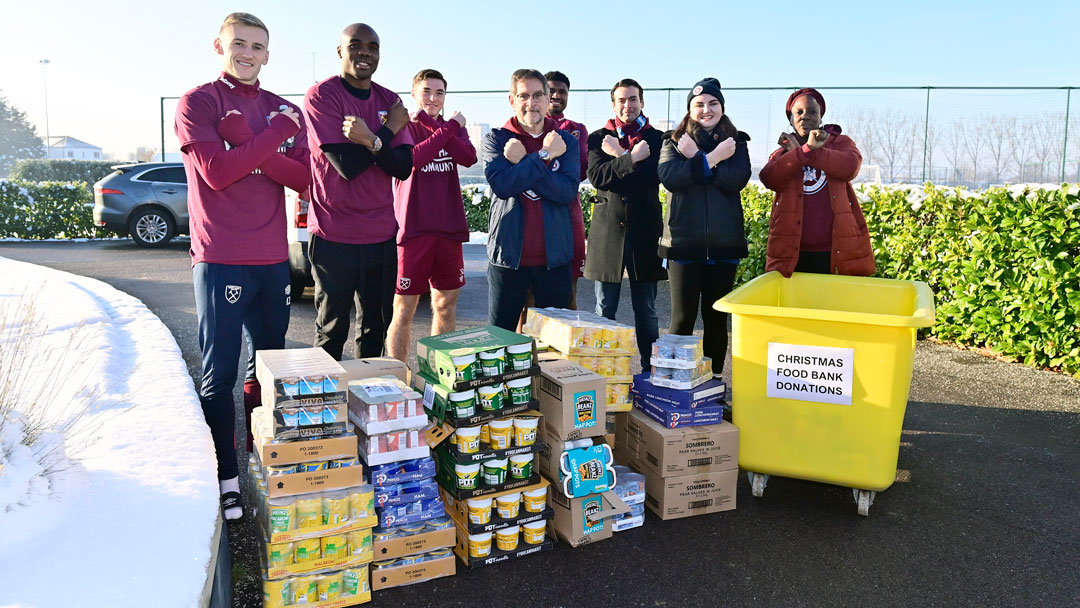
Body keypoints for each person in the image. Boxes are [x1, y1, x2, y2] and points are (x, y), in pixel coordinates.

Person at [175, 12, 310, 520]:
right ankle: (226, 474)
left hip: (273, 260)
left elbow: (304, 179)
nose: (247, 53)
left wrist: (253, 142)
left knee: (269, 368)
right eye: (239, 44)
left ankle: (258, 459)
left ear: (268, 55)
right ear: (219, 46)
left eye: (257, 46)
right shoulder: (200, 102)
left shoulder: (283, 109)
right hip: (221, 258)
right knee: (220, 372)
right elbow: (216, 172)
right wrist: (272, 138)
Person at [303, 23, 414, 360]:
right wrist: (385, 133)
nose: (365, 52)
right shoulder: (323, 95)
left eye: (373, 47)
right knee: (332, 330)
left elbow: (402, 166)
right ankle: (325, 407)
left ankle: (368, 404)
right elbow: (346, 166)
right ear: (340, 51)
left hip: (380, 235)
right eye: (355, 45)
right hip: (334, 234)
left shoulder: (389, 100)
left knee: (375, 329)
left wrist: (371, 138)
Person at [657, 78, 750, 375]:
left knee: (715, 320)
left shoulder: (738, 142)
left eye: (713, 103)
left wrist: (698, 161)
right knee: (682, 320)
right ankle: (673, 380)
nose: (706, 110)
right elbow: (670, 177)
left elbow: (736, 180)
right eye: (699, 104)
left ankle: (713, 384)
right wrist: (710, 159)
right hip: (684, 244)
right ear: (690, 109)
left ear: (722, 107)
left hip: (724, 245)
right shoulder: (673, 141)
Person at [386, 69, 477, 361]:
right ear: (414, 94)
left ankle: (438, 377)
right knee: (403, 310)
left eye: (439, 93)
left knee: (445, 307)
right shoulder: (405, 127)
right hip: (413, 230)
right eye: (426, 91)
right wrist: (445, 125)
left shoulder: (452, 129)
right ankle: (398, 378)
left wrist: (445, 127)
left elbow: (468, 157)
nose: (433, 98)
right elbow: (415, 158)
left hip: (448, 230)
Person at [484, 69, 580, 330]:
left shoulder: (566, 142)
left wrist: (526, 163)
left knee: (553, 346)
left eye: (538, 95)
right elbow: (503, 186)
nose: (531, 102)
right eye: (523, 95)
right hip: (508, 260)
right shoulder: (498, 139)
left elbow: (566, 192)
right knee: (500, 341)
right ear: (512, 100)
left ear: (549, 99)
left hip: (555, 261)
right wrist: (544, 156)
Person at [585, 78, 665, 370]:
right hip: (608, 233)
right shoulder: (598, 138)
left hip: (645, 232)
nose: (627, 105)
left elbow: (653, 178)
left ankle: (650, 371)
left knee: (647, 309)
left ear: (642, 102)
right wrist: (632, 159)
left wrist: (620, 156)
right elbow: (597, 177)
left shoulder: (657, 139)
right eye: (621, 100)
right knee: (604, 309)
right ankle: (602, 372)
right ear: (613, 104)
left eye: (633, 99)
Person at [759, 87, 875, 277]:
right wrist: (802, 152)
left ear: (821, 117)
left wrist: (812, 151)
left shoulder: (840, 143)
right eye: (799, 112)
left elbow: (850, 167)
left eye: (812, 111)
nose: (805, 116)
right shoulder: (782, 152)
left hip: (833, 251)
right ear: (790, 119)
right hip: (793, 253)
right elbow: (769, 178)